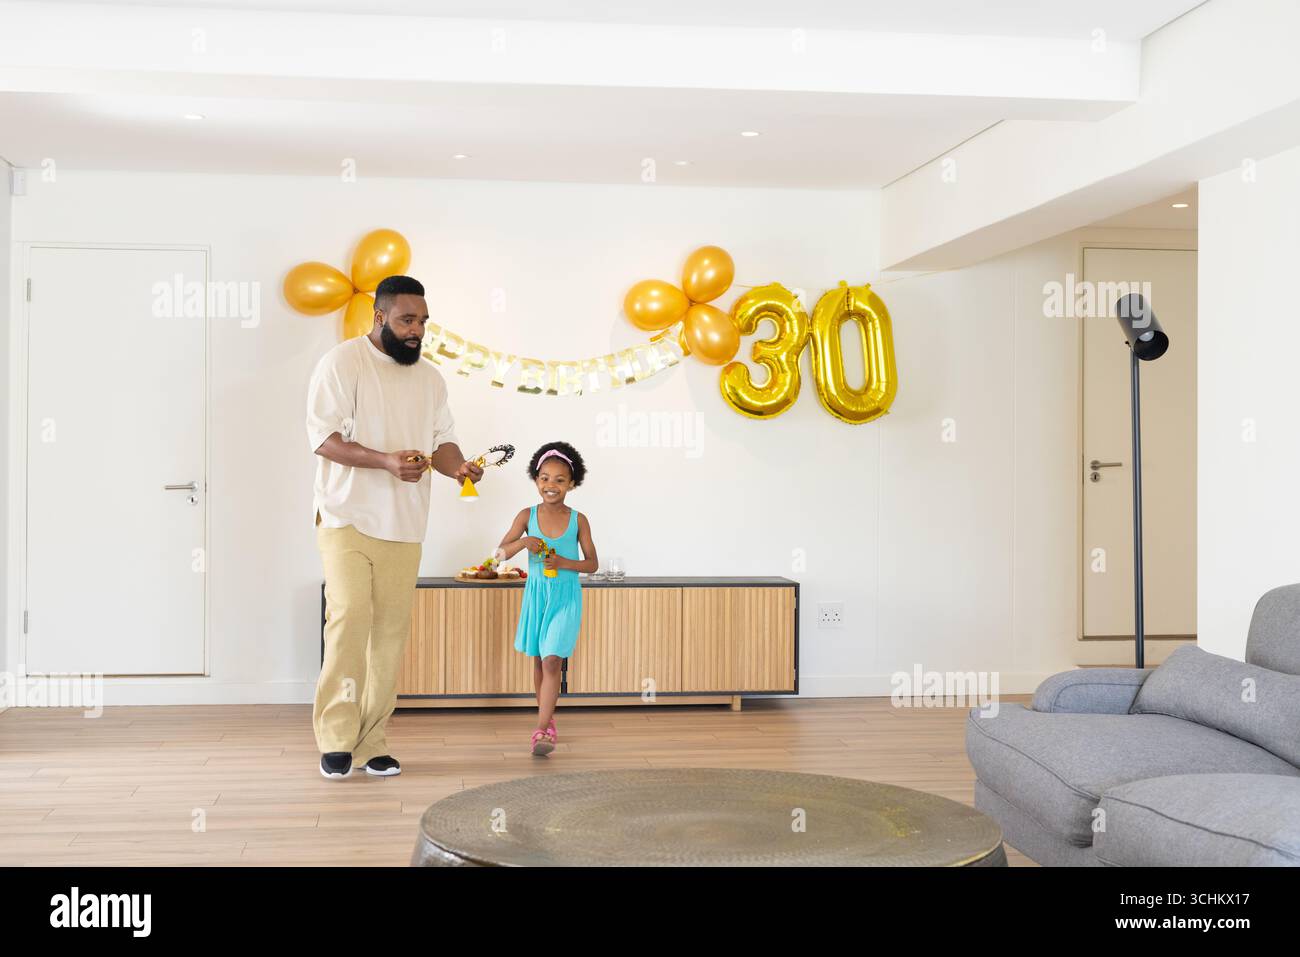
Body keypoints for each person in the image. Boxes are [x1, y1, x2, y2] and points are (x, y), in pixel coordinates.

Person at [305, 274, 483, 780]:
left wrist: (458, 467)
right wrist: (385, 461)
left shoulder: (430, 378)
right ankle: (337, 738)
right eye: (407, 320)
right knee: (348, 622)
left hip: (405, 525)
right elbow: (323, 439)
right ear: (379, 316)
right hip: (346, 517)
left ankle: (372, 740)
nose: (417, 331)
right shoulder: (343, 362)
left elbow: (443, 439)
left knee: (388, 636)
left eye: (423, 321)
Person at [495, 441, 598, 755]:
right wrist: (526, 541)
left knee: (553, 659)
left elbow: (592, 564)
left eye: (559, 479)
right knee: (540, 662)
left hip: (566, 597)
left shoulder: (578, 520)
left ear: (572, 484)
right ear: (536, 479)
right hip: (537, 596)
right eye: (544, 478)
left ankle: (540, 730)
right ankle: (548, 721)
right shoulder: (527, 515)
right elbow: (500, 553)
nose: (550, 485)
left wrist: (565, 562)